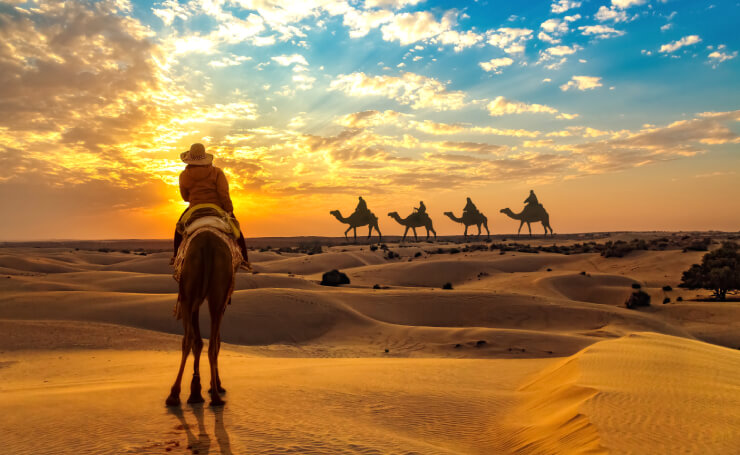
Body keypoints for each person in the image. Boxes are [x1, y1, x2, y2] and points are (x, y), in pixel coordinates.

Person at [172, 143, 249, 265]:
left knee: (178, 230)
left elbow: (185, 197)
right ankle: (244, 259)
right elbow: (223, 194)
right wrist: (229, 209)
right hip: (216, 206)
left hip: (194, 208)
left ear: (189, 159)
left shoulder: (183, 175)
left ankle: (176, 257)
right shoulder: (217, 172)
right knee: (237, 230)